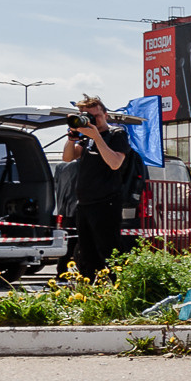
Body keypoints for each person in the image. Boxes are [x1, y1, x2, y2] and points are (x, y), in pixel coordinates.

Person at [59, 94, 134, 280]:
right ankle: (92, 290)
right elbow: (68, 158)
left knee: (109, 250)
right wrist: (72, 138)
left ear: (106, 115)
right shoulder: (87, 139)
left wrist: (97, 137)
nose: (92, 120)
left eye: (96, 116)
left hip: (106, 202)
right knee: (86, 252)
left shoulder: (117, 135)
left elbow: (115, 163)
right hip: (84, 204)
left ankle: (119, 287)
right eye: (87, 116)